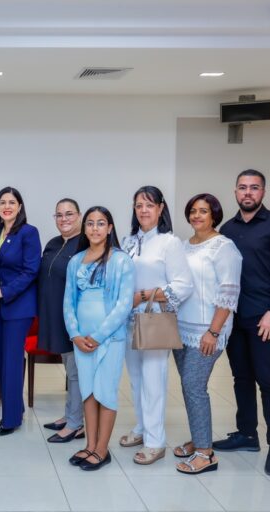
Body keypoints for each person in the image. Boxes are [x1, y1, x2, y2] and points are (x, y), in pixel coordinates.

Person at [214, 169, 270, 478]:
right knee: (240, 377)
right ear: (235, 191)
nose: (247, 193)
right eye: (242, 187)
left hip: (265, 318)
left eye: (254, 188)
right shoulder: (226, 229)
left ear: (263, 192)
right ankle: (246, 435)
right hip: (234, 318)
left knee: (268, 380)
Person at [120, 186, 193, 465]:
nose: (143, 210)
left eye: (149, 205)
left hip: (153, 319)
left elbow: (183, 285)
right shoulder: (129, 242)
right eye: (138, 205)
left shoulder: (169, 242)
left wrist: (143, 296)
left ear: (161, 209)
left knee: (153, 380)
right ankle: (141, 428)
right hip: (127, 320)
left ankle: (155, 441)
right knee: (136, 380)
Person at [173, 193, 242, 474]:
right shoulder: (183, 245)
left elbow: (229, 292)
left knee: (193, 386)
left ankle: (206, 453)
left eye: (203, 211)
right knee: (189, 387)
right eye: (192, 211)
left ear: (214, 214)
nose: (197, 216)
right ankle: (198, 437)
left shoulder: (224, 247)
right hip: (180, 328)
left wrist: (213, 332)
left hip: (207, 330)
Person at [63, 206, 135, 471]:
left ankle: (102, 450)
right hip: (81, 340)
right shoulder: (76, 260)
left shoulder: (121, 260)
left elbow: (124, 304)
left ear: (110, 228)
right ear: (85, 228)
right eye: (90, 223)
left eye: (101, 223)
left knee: (105, 393)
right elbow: (68, 302)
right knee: (88, 393)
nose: (95, 228)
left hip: (109, 339)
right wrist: (76, 334)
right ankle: (90, 445)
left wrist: (98, 335)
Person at [0, 187, 41, 436]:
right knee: (5, 359)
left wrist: (4, 291)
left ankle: (10, 420)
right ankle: (14, 409)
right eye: (2, 203)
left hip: (17, 306)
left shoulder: (28, 233)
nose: (6, 206)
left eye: (12, 202)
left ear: (19, 207)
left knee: (12, 359)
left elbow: (31, 271)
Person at [38, 198, 86, 443]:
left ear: (79, 216)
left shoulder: (85, 245)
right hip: (53, 316)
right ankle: (70, 415)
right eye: (58, 215)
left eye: (69, 214)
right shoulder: (53, 243)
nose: (64, 219)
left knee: (76, 372)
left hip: (75, 320)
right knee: (70, 369)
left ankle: (76, 424)